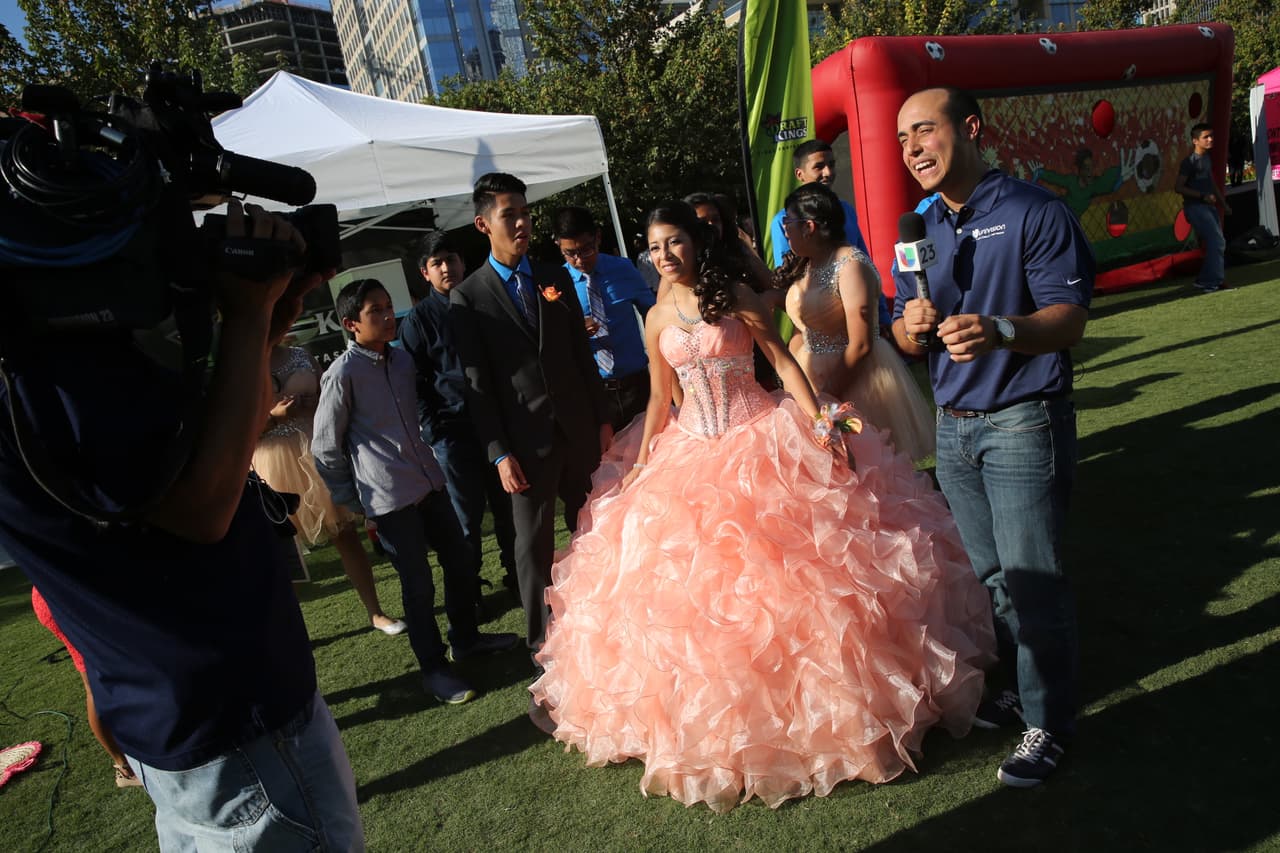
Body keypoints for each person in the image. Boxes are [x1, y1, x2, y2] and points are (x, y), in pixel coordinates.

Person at [529, 200, 995, 813]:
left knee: (807, 580)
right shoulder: (655, 316)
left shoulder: (737, 297)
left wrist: (819, 419)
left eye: (675, 242)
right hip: (690, 446)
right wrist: (641, 462)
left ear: (694, 244)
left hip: (760, 435)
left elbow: (780, 363)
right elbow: (662, 399)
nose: (666, 255)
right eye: (655, 247)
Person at [0, 200, 364, 850]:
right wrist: (249, 311)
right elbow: (203, 507)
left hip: (181, 725)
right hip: (234, 731)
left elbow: (222, 441)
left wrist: (271, 317)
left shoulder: (37, 363)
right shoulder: (48, 378)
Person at [893, 86, 1094, 788]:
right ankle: (1026, 692)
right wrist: (908, 328)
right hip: (954, 428)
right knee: (995, 580)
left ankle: (1050, 722)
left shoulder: (1035, 210)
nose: (912, 148)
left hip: (1021, 418)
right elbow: (897, 324)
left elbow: (1069, 319)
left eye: (924, 130)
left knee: (1035, 580)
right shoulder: (916, 227)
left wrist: (1003, 329)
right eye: (903, 139)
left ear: (970, 128)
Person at [313, 279, 519, 705]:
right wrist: (354, 498)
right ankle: (434, 668)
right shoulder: (342, 374)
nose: (388, 316)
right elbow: (324, 447)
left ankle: (465, 638)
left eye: (389, 307)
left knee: (461, 559)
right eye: (375, 311)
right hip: (388, 498)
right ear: (351, 323)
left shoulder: (403, 361)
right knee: (418, 585)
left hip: (429, 480)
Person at [448, 172, 612, 672]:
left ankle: (606, 618)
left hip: (579, 430)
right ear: (483, 224)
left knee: (597, 528)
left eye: (525, 212)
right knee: (533, 548)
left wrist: (602, 420)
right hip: (523, 446)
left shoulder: (553, 275)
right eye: (509, 215)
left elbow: (581, 355)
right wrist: (498, 452)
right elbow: (476, 387)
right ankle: (543, 646)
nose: (522, 223)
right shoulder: (468, 297)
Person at [398, 231, 519, 605]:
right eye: (437, 263)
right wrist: (435, 435)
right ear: (425, 273)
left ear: (463, 262)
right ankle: (470, 598)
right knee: (466, 522)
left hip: (496, 427)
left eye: (451, 259)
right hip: (452, 433)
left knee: (509, 510)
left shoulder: (484, 303)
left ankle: (517, 577)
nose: (447, 268)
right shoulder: (417, 321)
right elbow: (414, 383)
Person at [775, 183, 936, 463]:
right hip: (811, 375)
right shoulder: (809, 264)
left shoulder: (850, 265)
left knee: (869, 472)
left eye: (788, 222)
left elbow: (860, 343)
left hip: (856, 381)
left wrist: (826, 399)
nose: (785, 230)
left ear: (809, 226)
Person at [254, 341, 407, 634]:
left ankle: (376, 613)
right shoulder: (242, 365)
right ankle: (291, 631)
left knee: (346, 534)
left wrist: (316, 404)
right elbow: (239, 426)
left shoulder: (300, 353)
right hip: (270, 463)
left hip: (314, 451)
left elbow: (331, 397)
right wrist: (274, 419)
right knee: (283, 553)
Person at [552, 206, 656, 430]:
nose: (579, 260)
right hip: (593, 392)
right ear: (558, 246)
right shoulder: (557, 284)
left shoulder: (624, 269)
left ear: (597, 237)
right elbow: (554, 340)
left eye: (586, 250)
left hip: (637, 385)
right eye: (570, 253)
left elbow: (654, 315)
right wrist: (575, 328)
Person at [30, 587, 141, 788]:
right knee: (93, 685)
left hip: (62, 596)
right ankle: (123, 767)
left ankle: (126, 759)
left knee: (102, 679)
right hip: (60, 600)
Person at [767, 140, 869, 266]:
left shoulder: (846, 209)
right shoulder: (783, 219)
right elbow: (786, 271)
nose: (828, 173)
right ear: (800, 174)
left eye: (831, 165)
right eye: (819, 167)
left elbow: (864, 259)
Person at [1175, 122, 1232, 293]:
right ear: (1195, 141)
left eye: (1211, 136)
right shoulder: (1189, 162)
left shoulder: (1206, 159)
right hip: (1196, 207)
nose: (1210, 139)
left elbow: (1212, 183)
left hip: (1208, 207)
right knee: (1217, 241)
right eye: (1205, 137)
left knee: (1218, 242)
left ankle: (1207, 280)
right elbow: (1179, 187)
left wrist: (1223, 204)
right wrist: (1202, 196)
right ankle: (1210, 282)